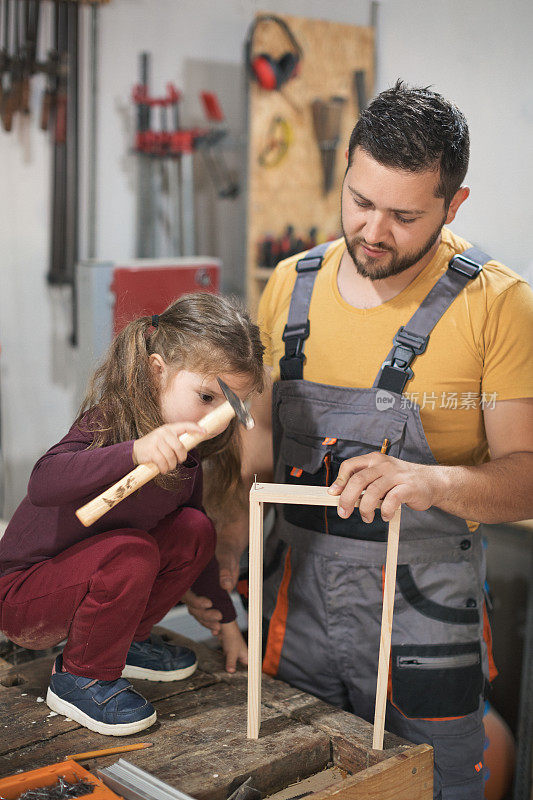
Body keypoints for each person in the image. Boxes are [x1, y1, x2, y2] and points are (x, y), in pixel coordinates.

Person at [186, 82, 533, 799]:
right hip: (297, 600)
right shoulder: (290, 284)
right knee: (299, 779)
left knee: (433, 786)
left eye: (404, 216)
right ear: (345, 168)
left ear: (452, 204)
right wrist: (222, 535)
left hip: (422, 621)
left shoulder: (496, 303)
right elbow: (259, 445)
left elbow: (526, 476)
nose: (373, 230)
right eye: (359, 201)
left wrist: (433, 482)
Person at [0, 293, 264, 737]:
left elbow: (196, 551)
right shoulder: (109, 423)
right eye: (204, 396)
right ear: (157, 370)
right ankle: (81, 677)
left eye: (229, 406)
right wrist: (134, 453)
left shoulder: (185, 463)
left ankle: (124, 643)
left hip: (96, 575)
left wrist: (227, 623)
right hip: (22, 596)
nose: (215, 417)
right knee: (132, 551)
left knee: (195, 530)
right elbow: (43, 482)